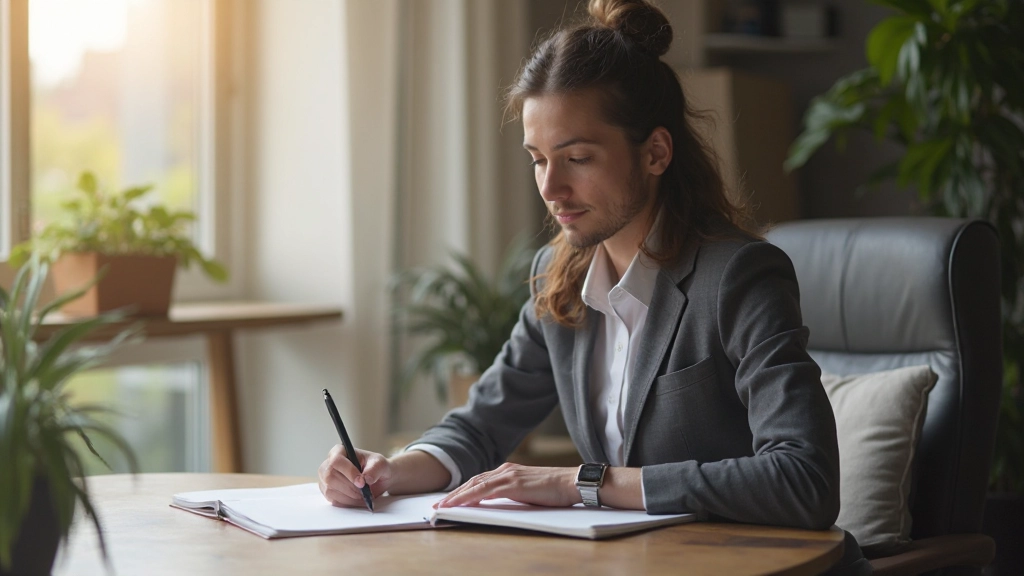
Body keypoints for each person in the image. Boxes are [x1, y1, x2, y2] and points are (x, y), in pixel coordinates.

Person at [320, 0, 868, 572]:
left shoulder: (739, 276)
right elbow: (482, 424)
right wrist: (389, 470)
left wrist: (585, 483)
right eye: (538, 160)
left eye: (577, 157)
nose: (552, 187)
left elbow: (804, 480)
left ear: (655, 152)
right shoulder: (561, 279)